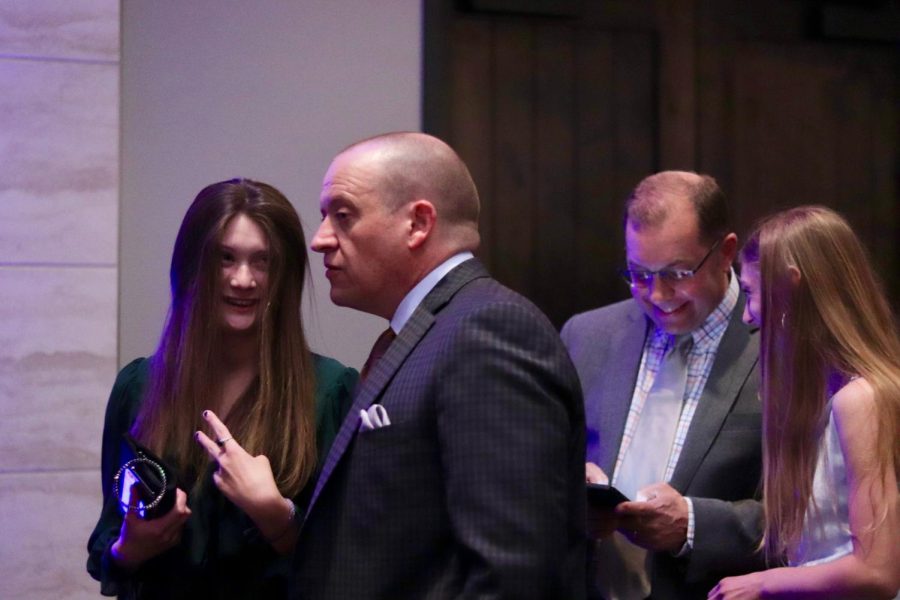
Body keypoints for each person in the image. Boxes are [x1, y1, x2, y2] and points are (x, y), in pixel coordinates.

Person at [290, 132, 586, 599]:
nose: (320, 239)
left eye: (343, 216)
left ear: (417, 223)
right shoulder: (425, 332)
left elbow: (511, 575)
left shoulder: (488, 331)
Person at [86, 179, 357, 598]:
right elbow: (108, 548)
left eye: (261, 261)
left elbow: (348, 563)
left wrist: (278, 517)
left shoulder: (329, 392)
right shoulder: (139, 386)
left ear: (283, 275)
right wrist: (131, 548)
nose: (243, 279)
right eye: (225, 258)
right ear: (193, 267)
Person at [561, 171, 764, 599]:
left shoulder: (777, 345)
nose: (657, 294)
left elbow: (816, 518)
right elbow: (540, 461)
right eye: (639, 274)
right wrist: (567, 492)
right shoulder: (587, 335)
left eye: (677, 273)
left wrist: (693, 524)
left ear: (726, 252)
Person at [709, 206, 900, 599]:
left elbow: (878, 572)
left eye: (750, 293)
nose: (746, 316)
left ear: (790, 286)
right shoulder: (824, 397)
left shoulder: (862, 400)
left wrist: (765, 583)